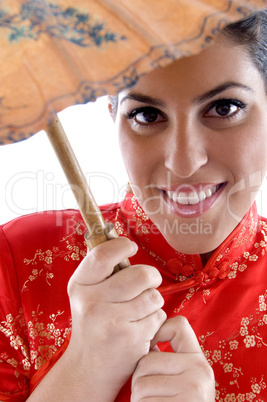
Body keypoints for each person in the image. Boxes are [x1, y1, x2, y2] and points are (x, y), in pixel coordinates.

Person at [1, 8, 267, 401]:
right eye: (147, 114)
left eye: (224, 108)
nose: (183, 162)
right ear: (113, 115)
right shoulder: (16, 261)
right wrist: (85, 369)